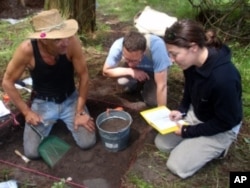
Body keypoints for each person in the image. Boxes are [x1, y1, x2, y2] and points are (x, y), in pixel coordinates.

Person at [2, 9, 96, 159]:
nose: (65, 42)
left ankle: (62, 121)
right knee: (32, 152)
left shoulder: (71, 43)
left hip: (70, 98)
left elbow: (84, 75)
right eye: (57, 40)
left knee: (88, 142)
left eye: (65, 36)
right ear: (43, 39)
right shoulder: (27, 50)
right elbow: (7, 82)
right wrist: (26, 112)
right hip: (43, 102)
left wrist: (80, 112)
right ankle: (54, 125)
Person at [154, 19, 242, 179]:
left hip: (221, 126)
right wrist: (182, 109)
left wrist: (188, 131)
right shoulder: (191, 63)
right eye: (169, 54)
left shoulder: (224, 79)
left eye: (174, 54)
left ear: (193, 47)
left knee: (176, 165)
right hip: (198, 112)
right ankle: (195, 141)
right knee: (161, 143)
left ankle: (220, 148)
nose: (171, 60)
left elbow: (226, 121)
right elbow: (189, 88)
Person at [102, 31, 172, 107]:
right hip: (134, 70)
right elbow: (106, 71)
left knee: (153, 101)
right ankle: (139, 83)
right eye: (127, 59)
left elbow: (161, 85)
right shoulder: (118, 46)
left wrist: (161, 113)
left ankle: (149, 84)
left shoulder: (157, 47)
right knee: (123, 84)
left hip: (155, 71)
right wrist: (131, 71)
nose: (130, 64)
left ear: (144, 52)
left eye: (134, 60)